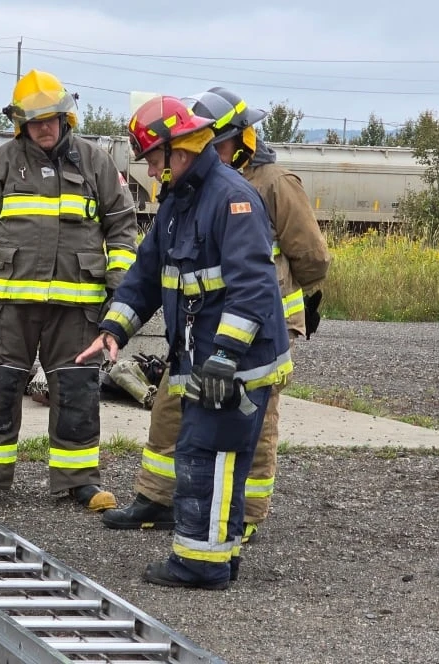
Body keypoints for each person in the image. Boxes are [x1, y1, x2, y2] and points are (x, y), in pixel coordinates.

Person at [77, 95, 291, 589]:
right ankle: (216, 557)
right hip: (207, 361)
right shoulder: (179, 201)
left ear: (180, 149)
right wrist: (114, 329)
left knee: (205, 456)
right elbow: (147, 275)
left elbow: (254, 289)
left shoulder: (231, 198)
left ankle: (202, 565)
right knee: (208, 457)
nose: (151, 171)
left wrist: (223, 357)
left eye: (153, 159)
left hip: (235, 365)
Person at [101, 88, 331, 543]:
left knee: (254, 424)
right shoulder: (192, 190)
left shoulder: (270, 184)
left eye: (219, 143)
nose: (211, 150)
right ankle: (158, 497)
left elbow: (310, 256)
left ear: (242, 140)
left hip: (260, 328)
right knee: (170, 407)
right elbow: (152, 269)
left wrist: (296, 303)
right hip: (203, 331)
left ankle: (242, 513)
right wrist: (116, 324)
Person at [0, 70, 140, 511]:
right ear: (21, 124)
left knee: (77, 392)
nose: (45, 128)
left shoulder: (95, 163)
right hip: (7, 306)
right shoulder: (0, 164)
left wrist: (120, 291)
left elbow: (124, 229)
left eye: (51, 119)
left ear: (65, 117)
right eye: (35, 122)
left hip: (76, 309)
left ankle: (80, 482)